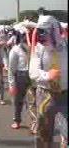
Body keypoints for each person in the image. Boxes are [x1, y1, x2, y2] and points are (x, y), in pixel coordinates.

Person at [29, 15, 67, 148]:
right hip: (46, 95)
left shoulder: (66, 46)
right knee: (44, 134)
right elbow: (33, 72)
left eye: (44, 31)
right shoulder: (39, 49)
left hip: (65, 94)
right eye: (40, 32)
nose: (41, 36)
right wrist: (47, 75)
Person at [8, 27, 31, 129]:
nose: (26, 38)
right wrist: (12, 84)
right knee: (18, 100)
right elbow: (11, 69)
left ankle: (34, 123)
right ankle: (17, 120)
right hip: (21, 76)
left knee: (33, 101)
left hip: (32, 76)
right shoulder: (15, 50)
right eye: (24, 36)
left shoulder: (35, 48)